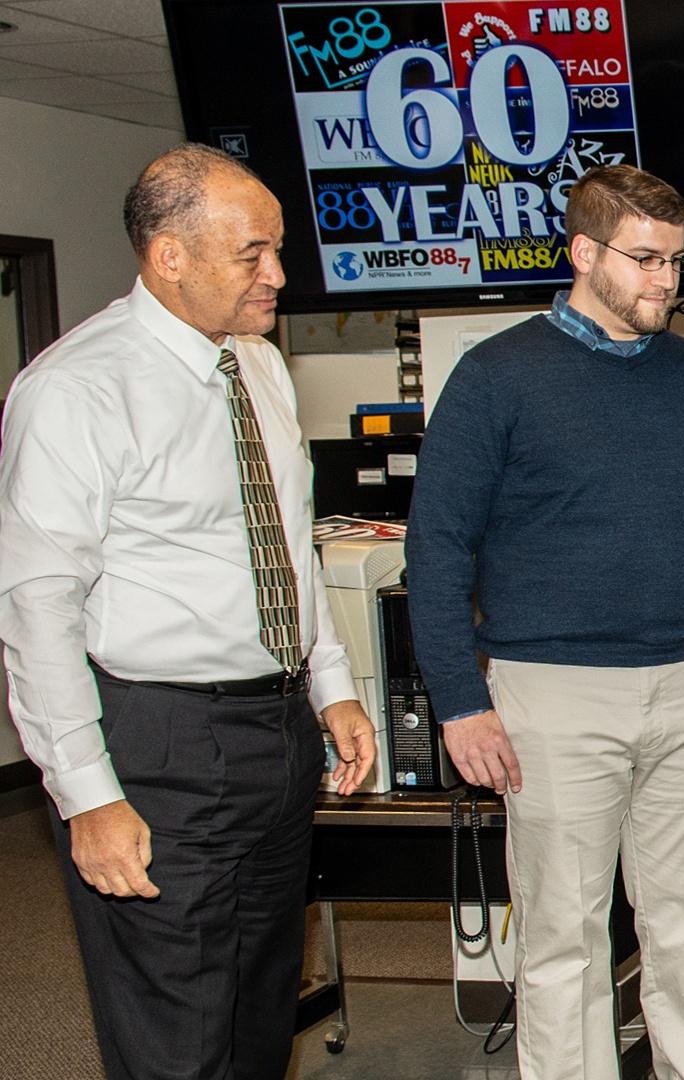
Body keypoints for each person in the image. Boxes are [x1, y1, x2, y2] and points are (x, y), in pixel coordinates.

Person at [0, 143, 376, 1080]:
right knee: (177, 1032)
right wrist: (87, 794)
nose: (278, 275)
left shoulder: (258, 368)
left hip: (275, 730)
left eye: (278, 250)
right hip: (160, 740)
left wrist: (330, 688)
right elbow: (36, 605)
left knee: (257, 1012)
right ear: (169, 256)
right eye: (253, 253)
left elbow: (286, 543)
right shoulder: (73, 390)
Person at [406, 165, 684, 1080]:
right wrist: (460, 703)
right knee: (564, 937)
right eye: (645, 259)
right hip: (550, 694)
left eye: (676, 262)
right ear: (582, 251)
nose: (665, 281)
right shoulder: (495, 377)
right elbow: (438, 552)